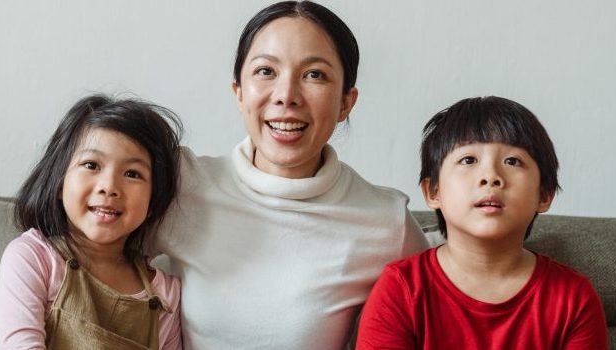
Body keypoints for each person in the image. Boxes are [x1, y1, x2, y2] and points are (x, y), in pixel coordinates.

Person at [144, 1, 428, 349]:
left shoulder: (386, 222)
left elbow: (443, 312)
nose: (286, 96)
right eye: (266, 71)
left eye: (315, 75)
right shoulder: (183, 183)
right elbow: (84, 253)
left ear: (345, 103)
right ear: (239, 92)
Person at [356, 96, 609, 349]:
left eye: (513, 161)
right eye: (468, 160)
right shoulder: (400, 289)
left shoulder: (574, 298)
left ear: (544, 195)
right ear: (434, 191)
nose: (491, 177)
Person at [0, 94, 183, 349]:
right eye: (91, 165)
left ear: (153, 200)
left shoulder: (165, 295)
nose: (109, 187)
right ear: (59, 183)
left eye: (132, 174)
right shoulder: (34, 258)